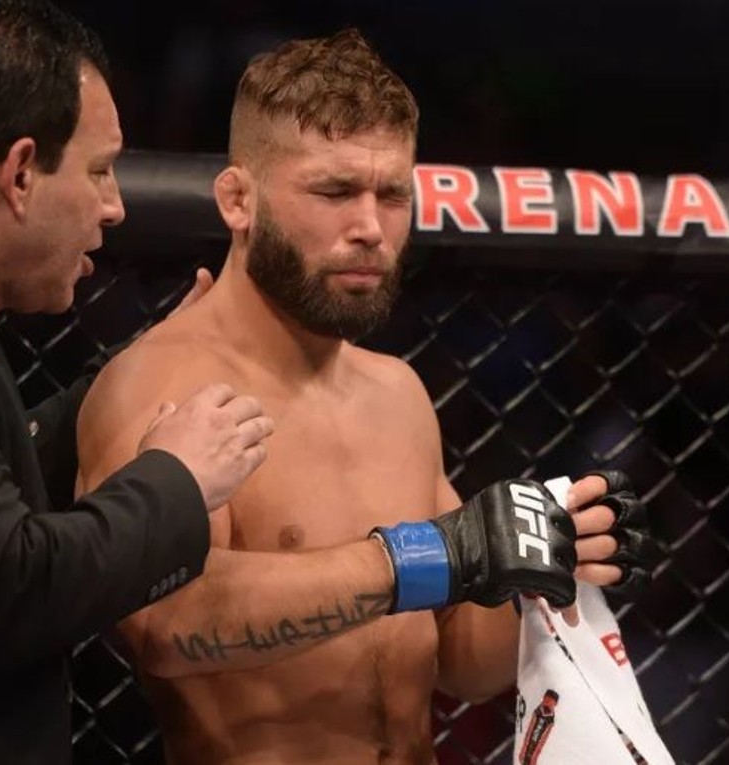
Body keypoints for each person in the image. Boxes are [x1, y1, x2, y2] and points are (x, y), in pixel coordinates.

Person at [76, 29, 657, 763]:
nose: (370, 229)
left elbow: (466, 665)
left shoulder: (397, 391)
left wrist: (547, 561)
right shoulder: (166, 385)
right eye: (334, 192)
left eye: (392, 196)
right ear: (238, 200)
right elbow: (164, 624)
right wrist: (422, 558)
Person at [0, 2, 274, 763]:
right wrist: (176, 477)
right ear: (20, 174)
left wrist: (123, 377)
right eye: (100, 171)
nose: (115, 207)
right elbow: (7, 593)